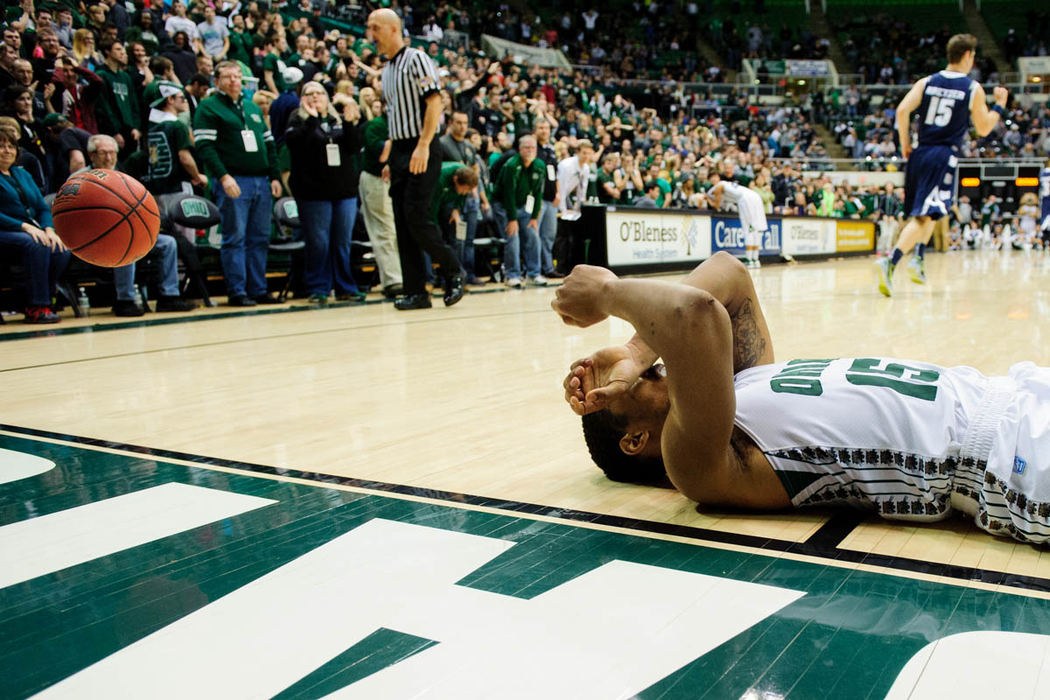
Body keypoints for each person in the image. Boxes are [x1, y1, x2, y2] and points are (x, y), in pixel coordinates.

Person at [555, 252, 1050, 546]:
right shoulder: (698, 466)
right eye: (643, 379)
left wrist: (632, 352)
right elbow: (694, 316)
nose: (653, 365)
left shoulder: (740, 384)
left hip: (1011, 389)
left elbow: (727, 273)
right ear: (635, 440)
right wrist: (609, 294)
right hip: (1008, 461)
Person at [876, 34, 1009, 297]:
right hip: (943, 155)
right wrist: (1000, 106)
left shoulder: (927, 82)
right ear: (968, 56)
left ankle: (919, 258)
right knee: (928, 213)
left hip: (920, 152)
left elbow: (902, 111)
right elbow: (983, 128)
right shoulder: (971, 88)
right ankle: (891, 261)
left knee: (932, 211)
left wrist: (904, 143)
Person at [367, 8, 463, 310]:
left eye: (375, 28)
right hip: (399, 149)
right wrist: (390, 155)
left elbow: (435, 101)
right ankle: (416, 292)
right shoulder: (387, 70)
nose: (371, 34)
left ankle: (453, 271)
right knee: (401, 221)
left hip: (422, 144)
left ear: (394, 29)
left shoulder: (417, 59)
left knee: (417, 217)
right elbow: (396, 115)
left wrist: (423, 144)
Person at [193, 61, 283, 306]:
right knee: (235, 237)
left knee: (260, 237)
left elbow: (270, 144)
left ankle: (258, 288)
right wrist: (223, 176)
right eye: (228, 77)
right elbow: (205, 147)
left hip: (261, 182)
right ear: (216, 81)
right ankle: (237, 291)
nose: (234, 81)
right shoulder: (208, 108)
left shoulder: (251, 107)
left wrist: (274, 176)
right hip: (234, 180)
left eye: (237, 77)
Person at [80, 134, 197, 316]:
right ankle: (124, 300)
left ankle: (169, 297)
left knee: (167, 243)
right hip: (97, 237)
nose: (109, 158)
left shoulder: (126, 176)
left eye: (112, 153)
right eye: (103, 153)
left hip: (127, 231)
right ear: (91, 155)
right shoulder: (80, 180)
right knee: (126, 245)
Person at [283, 80, 367, 304]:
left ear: (327, 98)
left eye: (319, 93)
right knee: (319, 242)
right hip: (313, 193)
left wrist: (350, 124)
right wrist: (311, 120)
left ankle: (345, 287)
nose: (314, 97)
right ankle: (318, 287)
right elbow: (299, 145)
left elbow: (353, 147)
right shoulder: (296, 119)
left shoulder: (337, 119)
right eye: (309, 94)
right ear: (302, 98)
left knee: (342, 242)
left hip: (344, 191)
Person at [0, 124, 69, 323]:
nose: (7, 150)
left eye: (11, 146)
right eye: (1, 146)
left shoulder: (22, 174)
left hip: (29, 231)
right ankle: (36, 306)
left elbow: (42, 207)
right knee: (36, 244)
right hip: (8, 230)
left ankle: (46, 298)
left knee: (60, 248)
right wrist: (25, 227)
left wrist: (49, 229)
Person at [357, 91, 403, 298]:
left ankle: (400, 276)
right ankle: (393, 281)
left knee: (395, 230)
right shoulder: (376, 125)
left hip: (396, 180)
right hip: (376, 179)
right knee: (384, 230)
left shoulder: (401, 125)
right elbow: (383, 154)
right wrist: (397, 138)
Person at [492, 133, 546, 289]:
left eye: (533, 148)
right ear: (520, 150)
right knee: (512, 237)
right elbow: (508, 194)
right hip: (504, 206)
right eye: (526, 147)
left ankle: (533, 274)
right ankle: (512, 275)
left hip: (523, 206)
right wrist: (512, 219)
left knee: (533, 237)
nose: (530, 150)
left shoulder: (539, 166)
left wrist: (534, 217)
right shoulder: (511, 166)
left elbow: (537, 194)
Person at [707, 172, 768, 269]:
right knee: (756, 230)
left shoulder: (716, 187)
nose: (713, 179)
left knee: (749, 230)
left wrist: (709, 200)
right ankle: (755, 259)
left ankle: (749, 260)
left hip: (746, 199)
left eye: (714, 177)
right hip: (754, 196)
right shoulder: (727, 185)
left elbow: (717, 205)